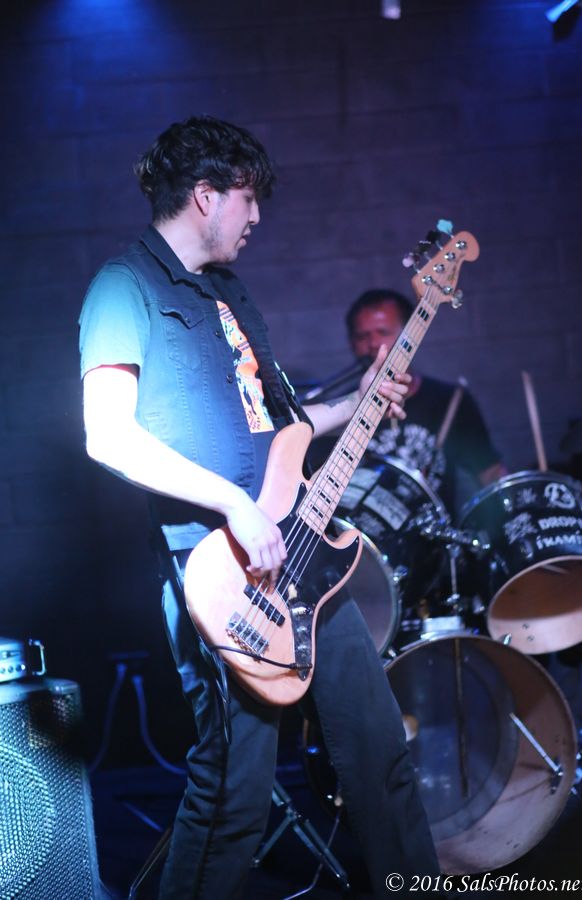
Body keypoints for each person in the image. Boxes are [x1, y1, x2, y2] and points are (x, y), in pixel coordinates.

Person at [79, 116, 440, 899]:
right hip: (222, 572)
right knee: (232, 796)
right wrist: (234, 507)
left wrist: (360, 402)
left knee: (379, 755)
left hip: (304, 555)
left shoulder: (230, 292)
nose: (257, 217)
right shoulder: (122, 286)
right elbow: (107, 437)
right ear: (206, 196)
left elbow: (280, 430)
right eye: (248, 198)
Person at [346, 289, 507, 516]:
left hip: (434, 531)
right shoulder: (342, 409)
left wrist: (514, 507)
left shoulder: (450, 400)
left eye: (383, 332)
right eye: (362, 336)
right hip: (360, 531)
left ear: (410, 336)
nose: (372, 344)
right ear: (351, 343)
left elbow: (490, 472)